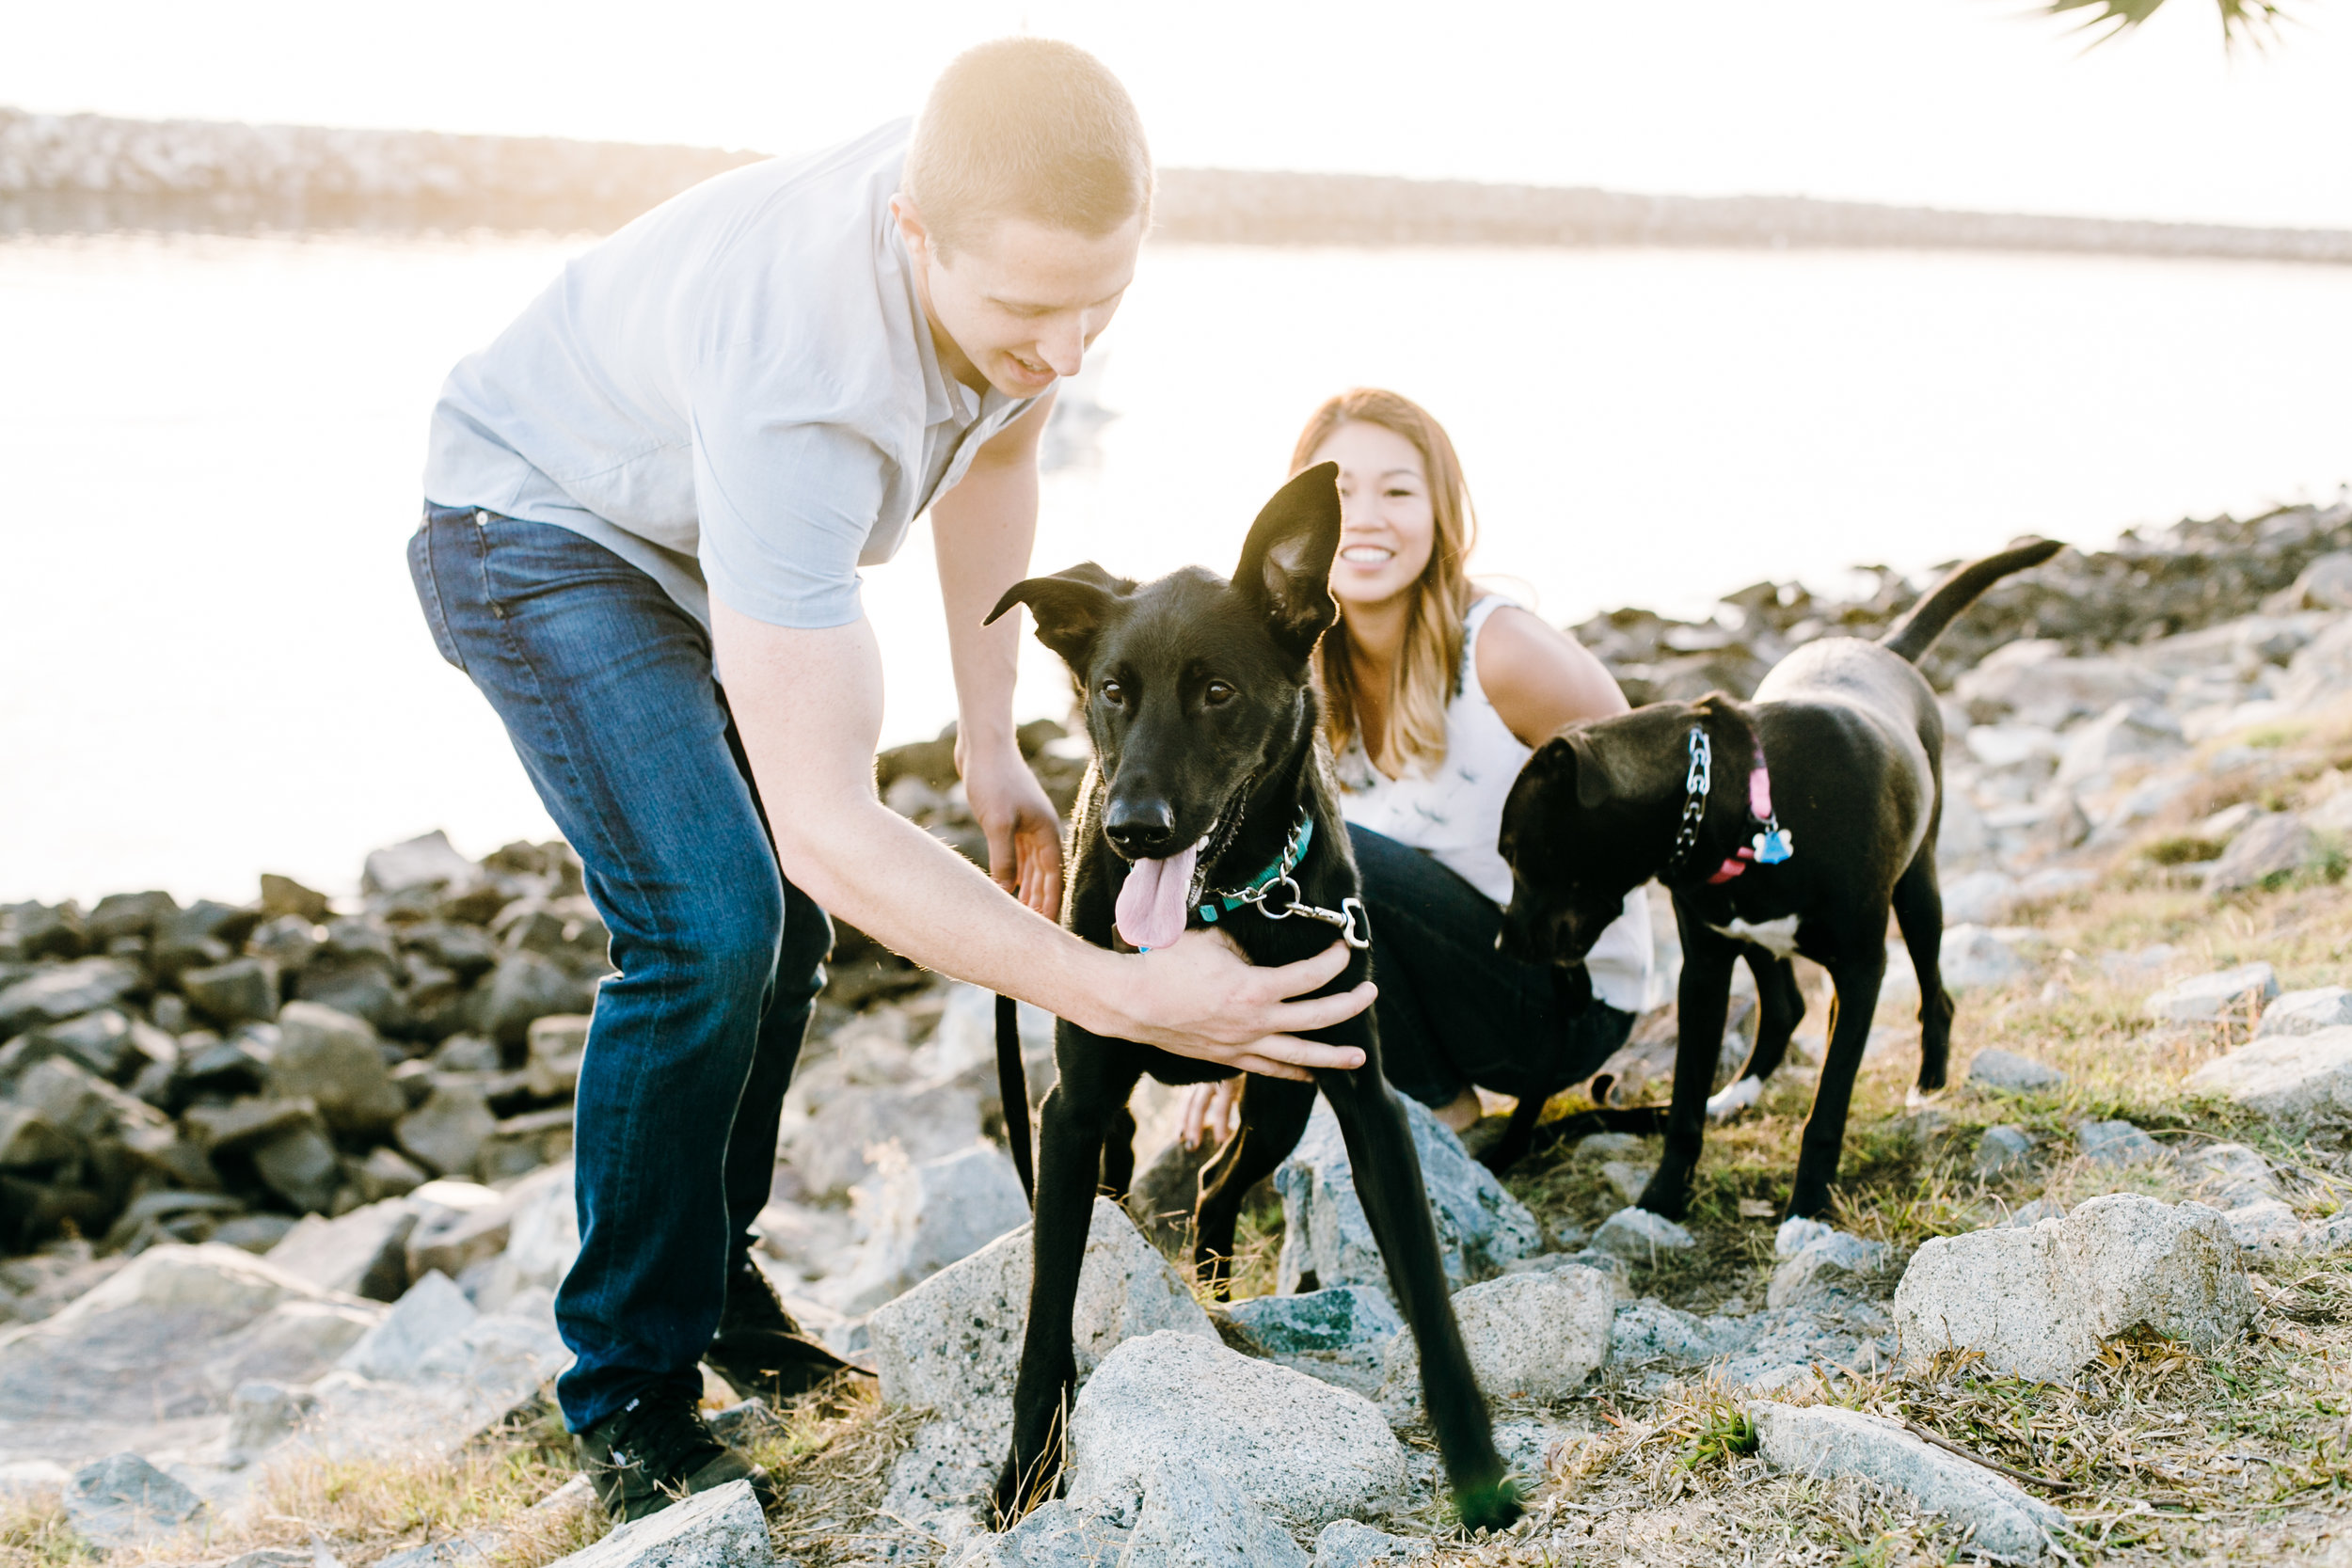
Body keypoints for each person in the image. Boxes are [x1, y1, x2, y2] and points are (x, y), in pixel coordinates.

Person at [410, 40, 1372, 1523]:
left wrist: (993, 743)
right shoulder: (810, 383)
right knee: (714, 921)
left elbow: (999, 458)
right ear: (912, 233)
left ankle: (710, 1281)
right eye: (1028, 310)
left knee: (779, 932)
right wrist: (1122, 992)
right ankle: (627, 1387)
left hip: (694, 532)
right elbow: (831, 829)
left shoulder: (1005, 219)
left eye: (1098, 300)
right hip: (539, 526)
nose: (1064, 346)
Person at [1183, 389, 1651, 1149]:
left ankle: (1433, 1117)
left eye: (1397, 490)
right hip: (1434, 997)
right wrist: (1230, 1055)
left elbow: (1659, 797)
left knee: (1329, 857)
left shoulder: (1505, 654)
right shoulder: (1291, 672)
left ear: (1442, 514)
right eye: (1337, 493)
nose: (1363, 517)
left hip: (1562, 1000)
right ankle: (1439, 1107)